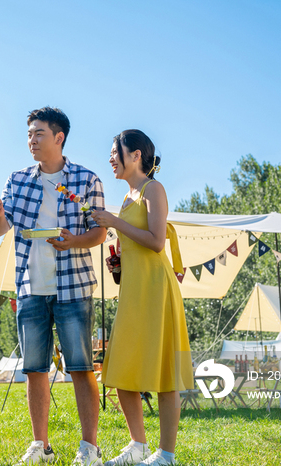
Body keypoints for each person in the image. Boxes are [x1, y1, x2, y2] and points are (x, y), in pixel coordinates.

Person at [0, 107, 106, 466]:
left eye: (38, 133)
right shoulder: (18, 179)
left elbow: (99, 232)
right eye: (29, 134)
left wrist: (74, 241)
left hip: (74, 286)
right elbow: (1, 229)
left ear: (59, 137)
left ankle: (89, 448)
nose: (31, 140)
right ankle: (41, 446)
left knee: (81, 368)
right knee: (34, 369)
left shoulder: (86, 179)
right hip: (29, 286)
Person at [90, 130, 193, 466]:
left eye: (114, 152)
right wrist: (117, 264)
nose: (110, 159)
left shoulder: (153, 189)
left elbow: (157, 241)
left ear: (135, 156)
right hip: (131, 290)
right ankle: (138, 446)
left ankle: (166, 454)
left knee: (164, 374)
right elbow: (135, 244)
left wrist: (115, 222)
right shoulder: (126, 197)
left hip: (156, 290)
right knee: (119, 368)